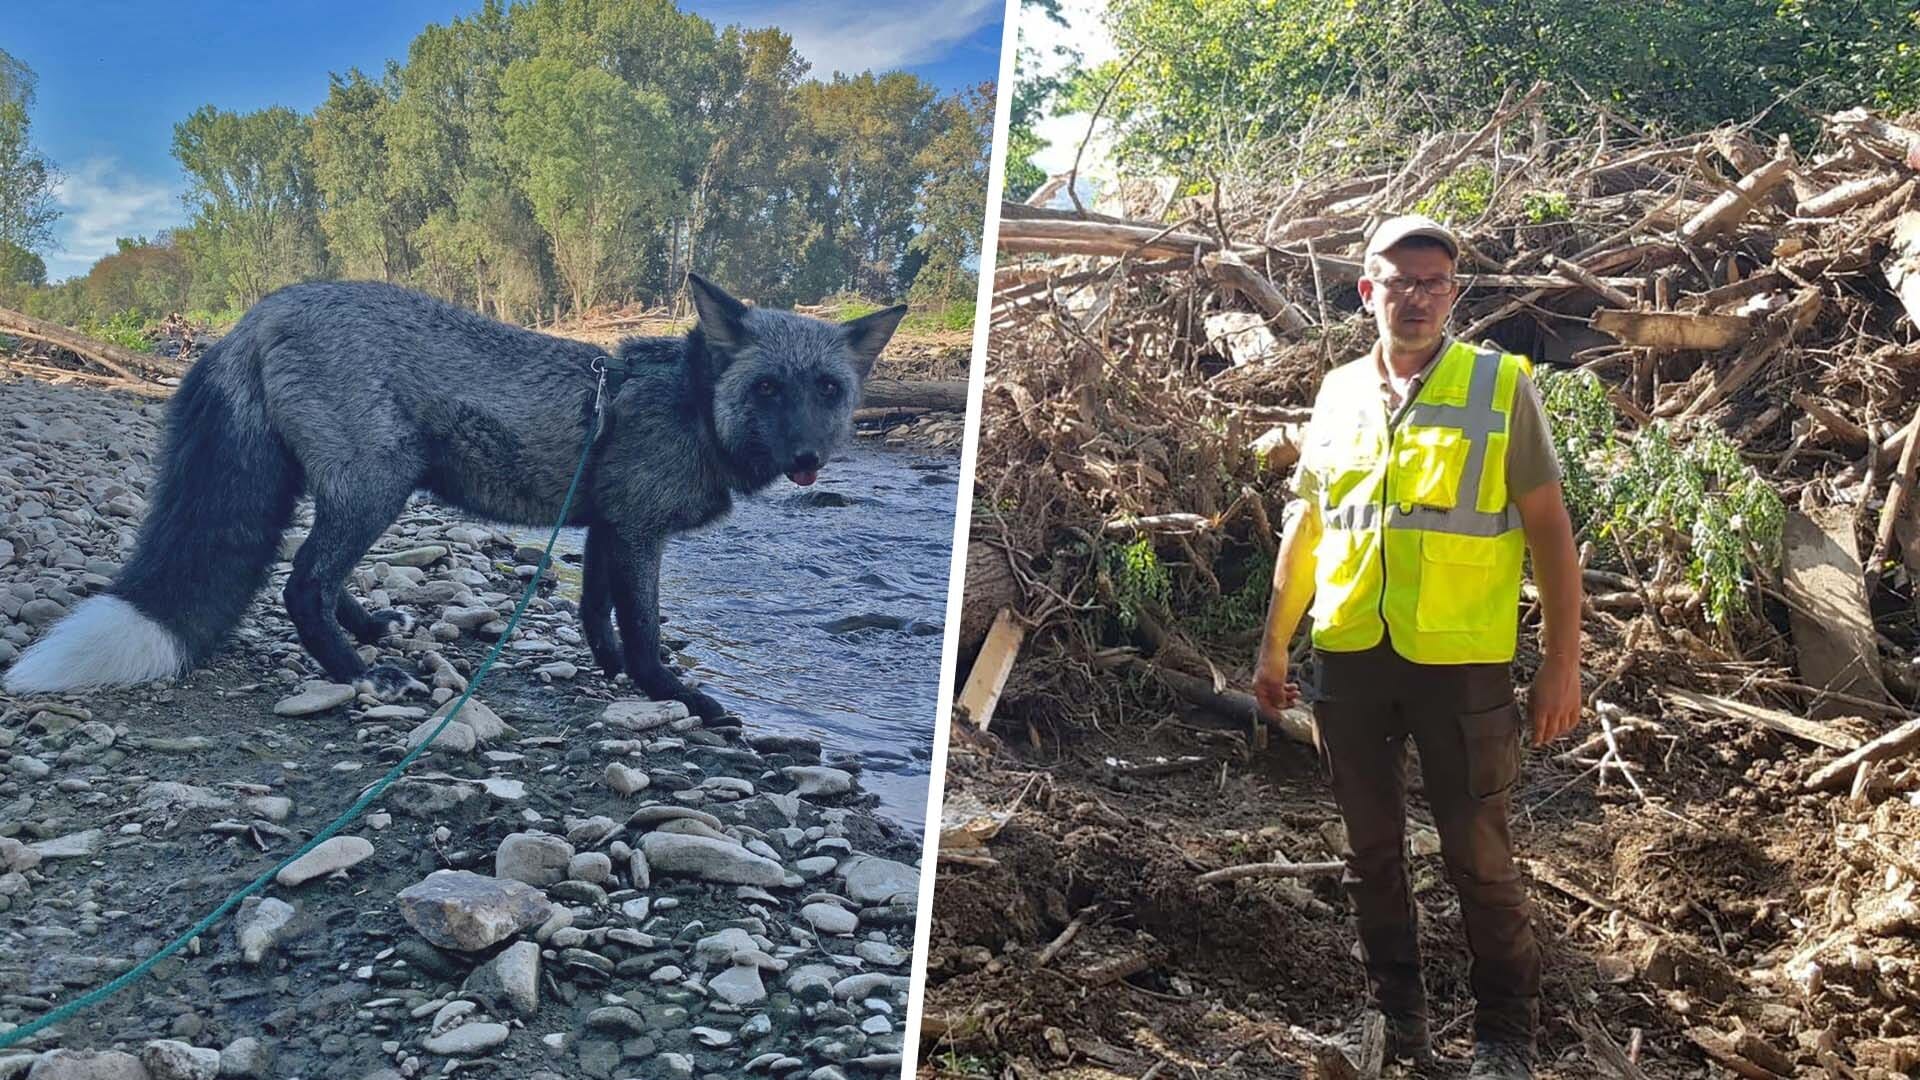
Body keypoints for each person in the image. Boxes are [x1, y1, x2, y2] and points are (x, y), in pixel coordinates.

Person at [1250, 213, 1585, 1078]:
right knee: (1369, 855)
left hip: (1462, 666)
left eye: (1435, 283)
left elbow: (1550, 534)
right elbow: (1311, 526)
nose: (1419, 298)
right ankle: (1397, 1022)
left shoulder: (1498, 386)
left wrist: (1559, 664)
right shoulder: (1336, 393)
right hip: (1352, 656)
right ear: (1369, 292)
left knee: (1482, 858)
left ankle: (1505, 1035)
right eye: (1400, 283)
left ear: (1453, 294)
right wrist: (1275, 645)